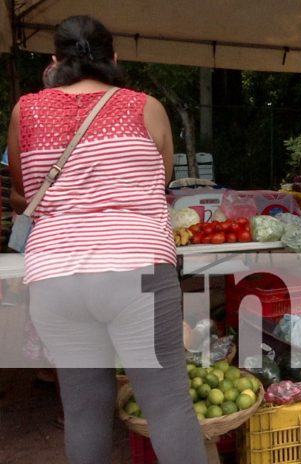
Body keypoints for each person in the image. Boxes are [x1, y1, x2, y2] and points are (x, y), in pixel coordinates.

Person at [7, 15, 206, 463]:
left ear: (55, 62)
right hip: (136, 268)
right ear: (114, 58)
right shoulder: (145, 106)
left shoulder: (27, 110)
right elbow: (162, 178)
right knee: (167, 404)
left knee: (83, 410)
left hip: (56, 276)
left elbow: (25, 193)